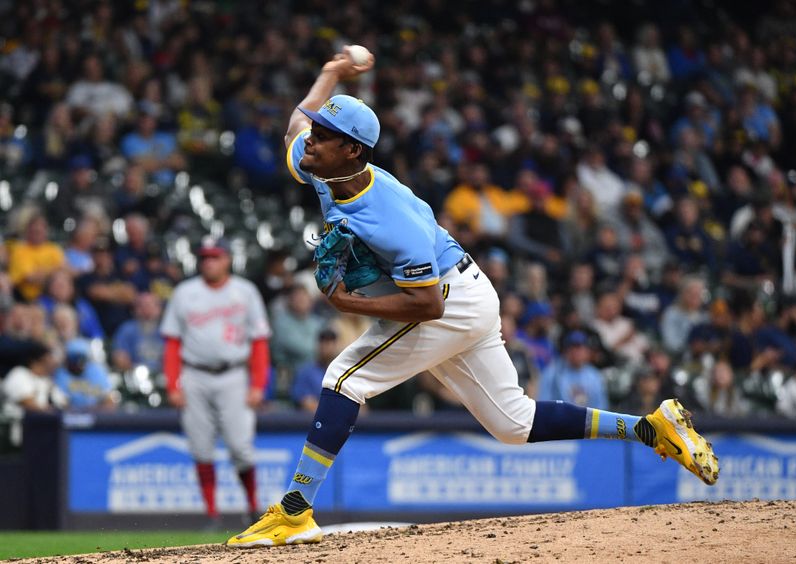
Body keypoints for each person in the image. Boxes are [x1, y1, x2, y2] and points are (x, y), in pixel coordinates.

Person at [226, 47, 718, 549]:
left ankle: (294, 511)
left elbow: (429, 306)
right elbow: (292, 129)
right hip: (470, 291)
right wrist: (331, 72)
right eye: (317, 130)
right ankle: (651, 429)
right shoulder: (323, 167)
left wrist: (349, 305)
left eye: (324, 135)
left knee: (344, 379)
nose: (311, 139)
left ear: (353, 150)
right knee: (514, 424)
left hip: (448, 300)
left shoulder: (389, 218)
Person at [160, 236, 271, 528]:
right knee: (200, 447)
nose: (209, 262)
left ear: (228, 259)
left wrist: (259, 384)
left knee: (240, 447)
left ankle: (252, 508)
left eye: (215, 256)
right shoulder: (185, 292)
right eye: (205, 257)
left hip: (234, 374)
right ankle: (211, 514)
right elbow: (172, 343)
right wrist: (173, 385)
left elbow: (259, 343)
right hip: (194, 374)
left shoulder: (245, 292)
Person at [53, 338, 115, 410]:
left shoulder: (96, 371)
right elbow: (61, 405)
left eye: (82, 358)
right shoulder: (60, 374)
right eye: (74, 359)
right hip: (71, 417)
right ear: (67, 360)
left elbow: (109, 400)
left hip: (97, 416)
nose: (79, 363)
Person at [291, 328, 339, 413]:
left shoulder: (342, 372)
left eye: (330, 343)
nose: (327, 347)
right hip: (312, 421)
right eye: (324, 342)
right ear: (318, 345)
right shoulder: (305, 372)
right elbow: (306, 402)